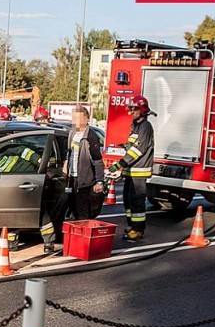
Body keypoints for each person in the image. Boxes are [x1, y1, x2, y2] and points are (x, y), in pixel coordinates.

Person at [108, 95, 155, 241]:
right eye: (131, 109)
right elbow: (134, 146)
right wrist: (126, 146)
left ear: (142, 110)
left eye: (135, 109)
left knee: (137, 201)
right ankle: (132, 225)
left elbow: (138, 150)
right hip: (131, 170)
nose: (132, 112)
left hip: (139, 171)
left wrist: (120, 164)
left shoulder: (146, 126)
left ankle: (138, 230)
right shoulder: (135, 125)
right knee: (128, 200)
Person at [64, 106, 105, 220]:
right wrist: (66, 164)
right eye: (74, 118)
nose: (75, 121)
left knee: (83, 212)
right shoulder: (72, 133)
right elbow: (70, 152)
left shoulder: (91, 137)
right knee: (73, 208)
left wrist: (99, 181)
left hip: (85, 181)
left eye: (78, 118)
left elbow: (97, 161)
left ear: (86, 119)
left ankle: (84, 235)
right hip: (73, 178)